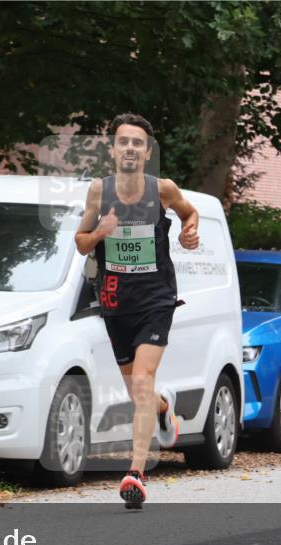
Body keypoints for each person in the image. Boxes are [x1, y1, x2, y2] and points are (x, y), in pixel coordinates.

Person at [74, 112, 200, 509]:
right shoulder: (99, 192)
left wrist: (189, 230)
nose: (130, 148)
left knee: (143, 380)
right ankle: (163, 408)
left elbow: (190, 212)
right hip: (115, 303)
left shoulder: (163, 190)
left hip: (156, 301)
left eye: (137, 143)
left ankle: (136, 473)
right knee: (138, 391)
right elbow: (80, 242)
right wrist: (101, 232)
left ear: (147, 152)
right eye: (123, 141)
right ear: (113, 150)